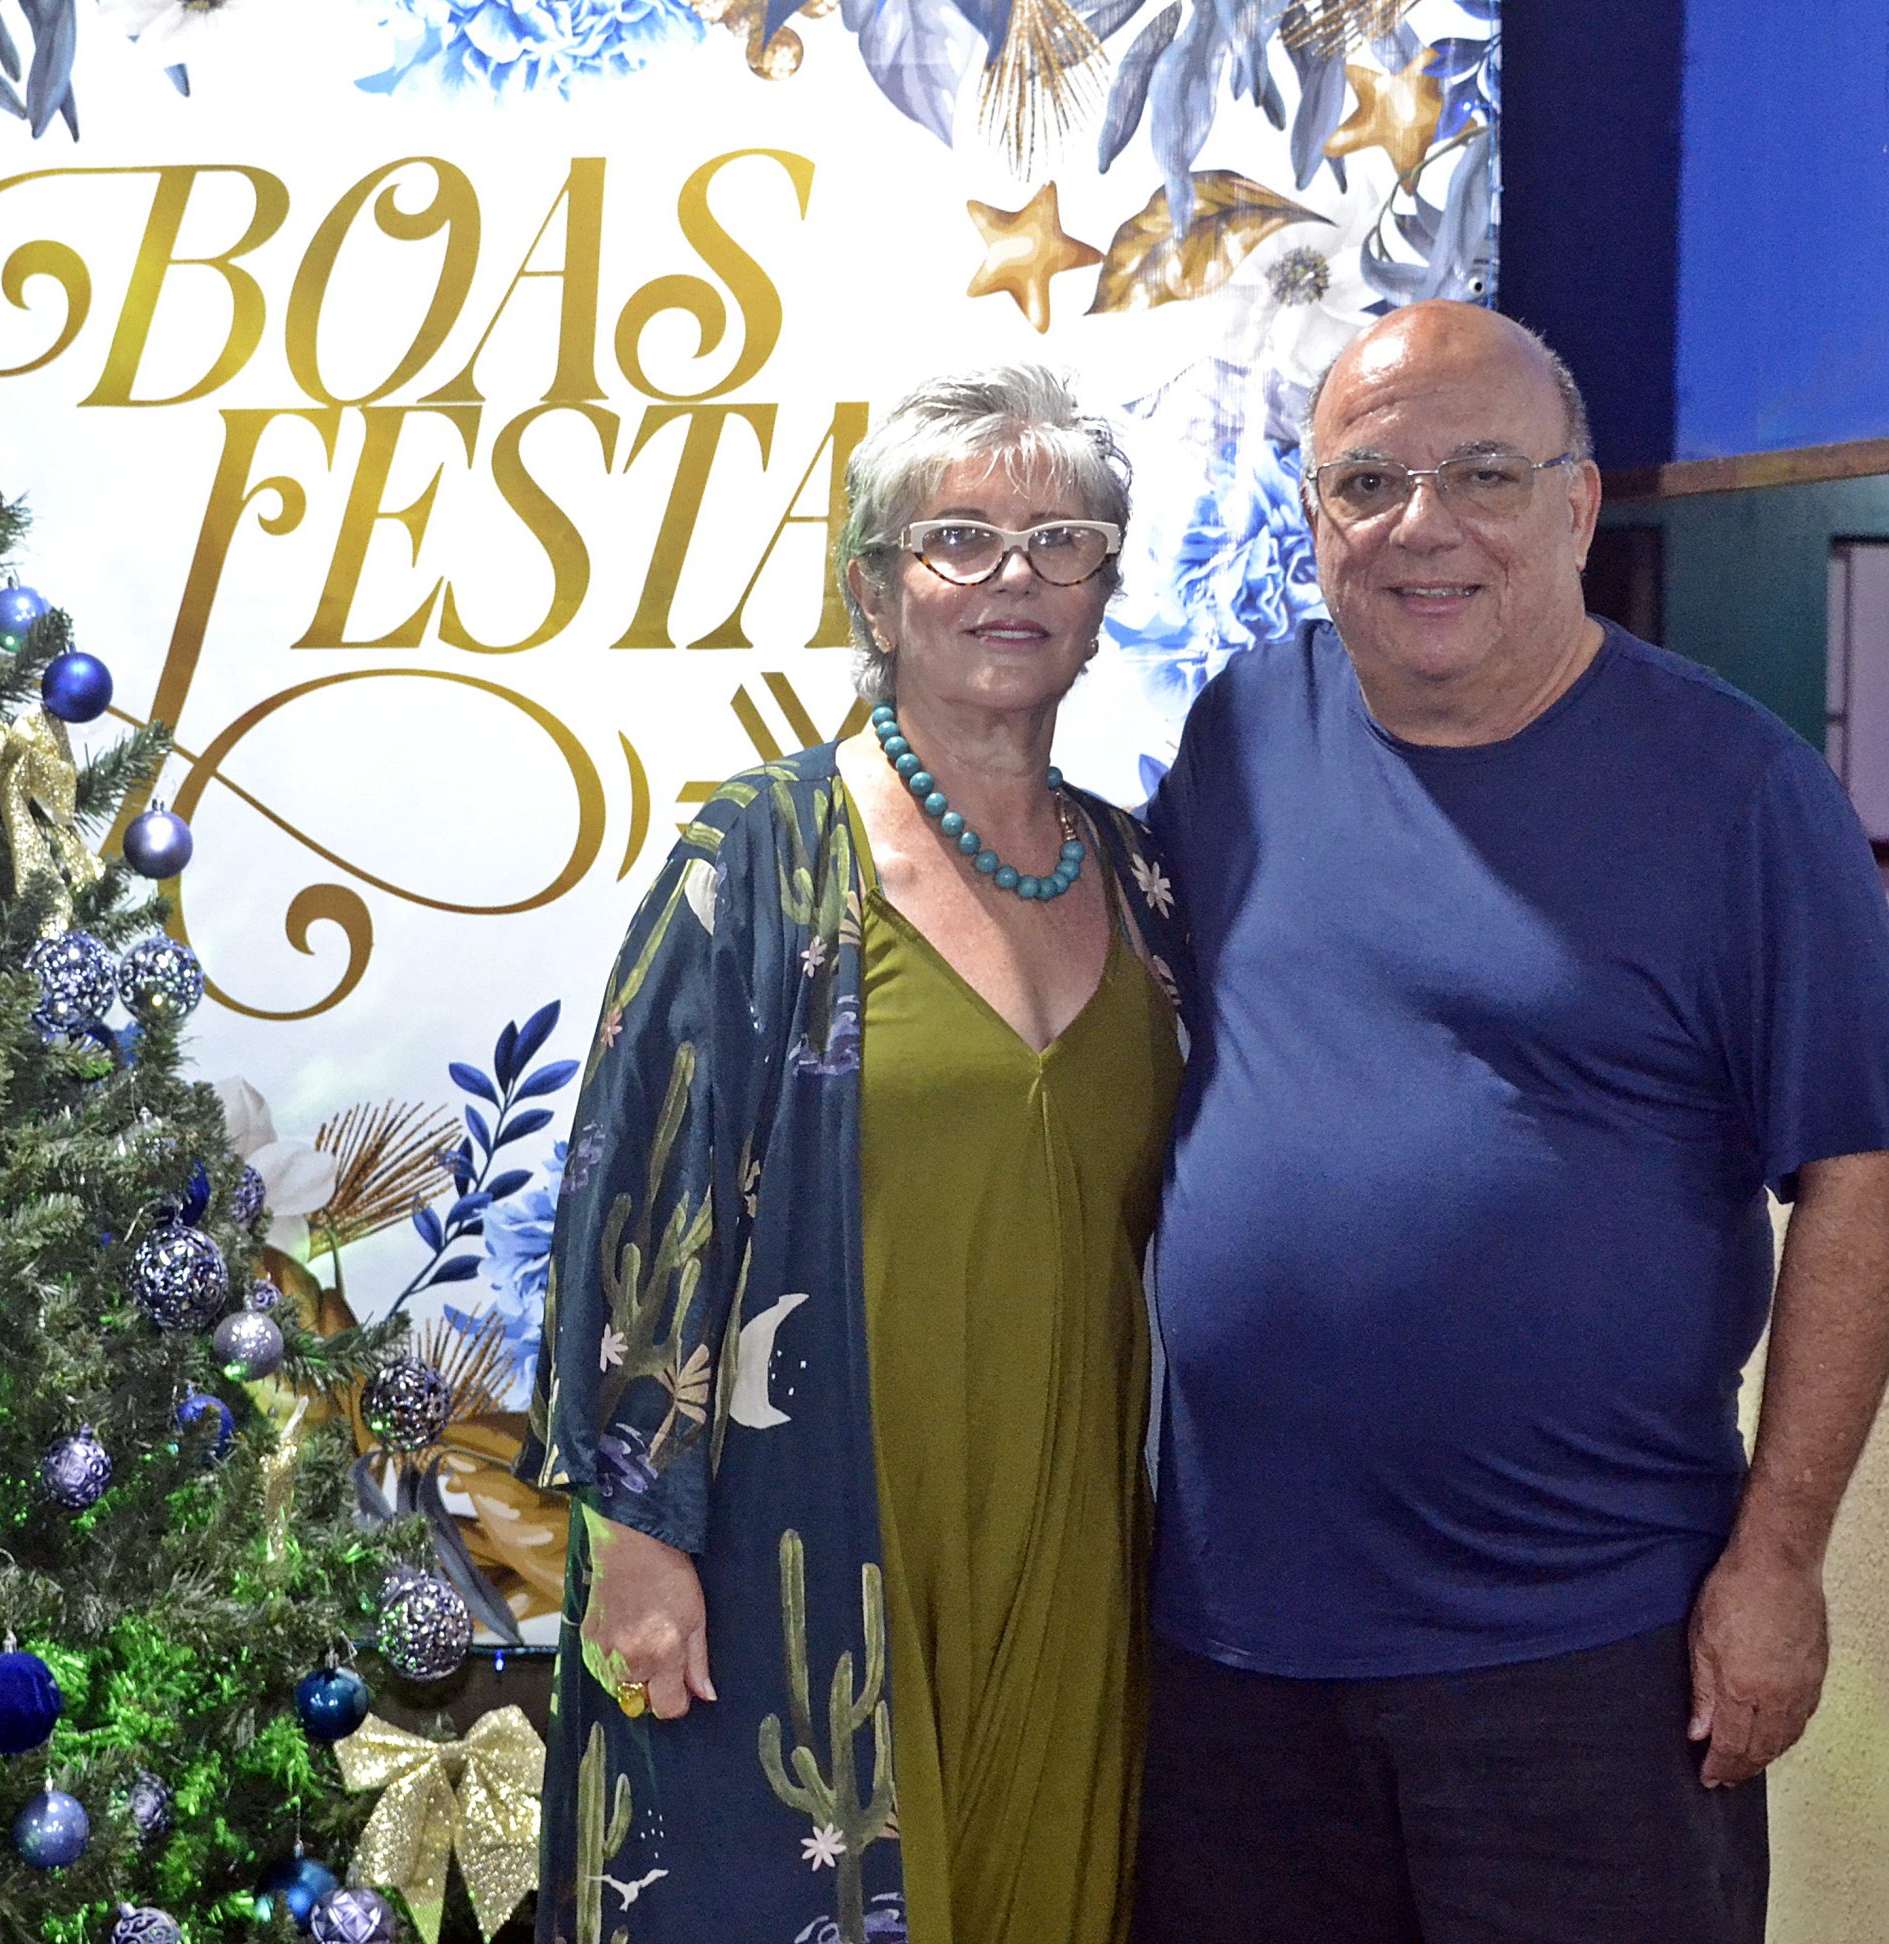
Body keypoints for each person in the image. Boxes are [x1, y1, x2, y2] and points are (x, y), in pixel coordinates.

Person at [1136, 299, 1889, 1943]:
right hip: (1236, 1652)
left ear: (1576, 507)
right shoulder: (1241, 735)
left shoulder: (1741, 795)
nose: (1421, 526)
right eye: (1368, 484)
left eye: (1484, 475)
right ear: (1314, 520)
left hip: (1588, 1658)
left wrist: (1779, 1562)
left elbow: (1869, 1178)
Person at [520, 365, 1186, 1944]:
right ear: (874, 592)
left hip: (1075, 1532)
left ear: (1104, 594)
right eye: (959, 539)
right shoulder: (762, 851)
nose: (1013, 576)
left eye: (1062, 540)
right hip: (801, 1538)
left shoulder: (1146, 875)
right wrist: (634, 1533)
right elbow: (634, 1199)